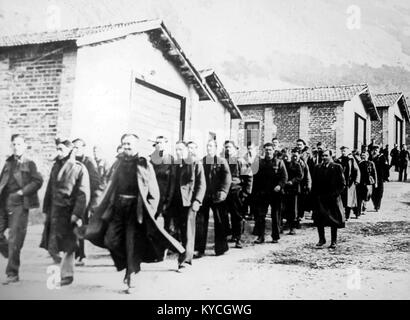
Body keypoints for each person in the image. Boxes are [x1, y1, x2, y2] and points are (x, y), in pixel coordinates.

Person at [85, 134, 184, 293]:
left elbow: (154, 192)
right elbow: (109, 186)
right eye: (124, 144)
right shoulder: (118, 163)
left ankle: (132, 275)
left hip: (135, 210)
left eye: (129, 144)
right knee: (111, 240)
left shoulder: (144, 164)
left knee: (132, 244)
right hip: (118, 208)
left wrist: (149, 212)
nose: (126, 146)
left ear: (136, 146)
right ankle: (128, 267)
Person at [40, 138, 90, 286]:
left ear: (70, 150)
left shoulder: (78, 168)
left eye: (61, 149)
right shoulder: (56, 166)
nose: (58, 152)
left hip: (69, 213)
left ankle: (67, 275)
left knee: (69, 244)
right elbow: (49, 190)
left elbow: (83, 194)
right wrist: (46, 210)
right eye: (57, 149)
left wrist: (77, 214)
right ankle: (58, 272)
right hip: (54, 211)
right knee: (52, 244)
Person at [0, 134, 43, 284]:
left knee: (14, 238)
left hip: (19, 204)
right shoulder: (8, 162)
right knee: (8, 241)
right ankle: (11, 253)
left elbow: (38, 181)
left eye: (19, 144)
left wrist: (22, 192)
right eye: (14, 144)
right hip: (4, 202)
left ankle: (12, 273)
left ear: (25, 146)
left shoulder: (29, 163)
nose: (16, 147)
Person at [165, 141, 206, 272]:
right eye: (176, 149)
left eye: (181, 149)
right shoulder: (174, 165)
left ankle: (185, 261)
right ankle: (179, 253)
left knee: (188, 232)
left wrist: (197, 201)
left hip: (189, 202)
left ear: (187, 150)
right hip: (175, 202)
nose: (178, 152)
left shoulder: (195, 164)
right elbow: (170, 183)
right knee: (172, 229)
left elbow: (201, 184)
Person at [195, 140, 231, 257]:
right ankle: (199, 249)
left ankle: (221, 248)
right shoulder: (201, 161)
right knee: (200, 222)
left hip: (217, 196)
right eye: (207, 146)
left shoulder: (221, 161)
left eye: (211, 146)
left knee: (220, 221)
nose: (209, 148)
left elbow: (227, 177)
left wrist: (223, 191)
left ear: (216, 148)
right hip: (204, 196)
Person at [72, 138, 104, 266]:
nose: (76, 149)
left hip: (84, 200)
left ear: (83, 148)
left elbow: (96, 183)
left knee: (80, 227)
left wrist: (92, 204)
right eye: (74, 147)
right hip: (71, 200)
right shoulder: (71, 161)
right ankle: (74, 254)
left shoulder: (88, 162)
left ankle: (81, 255)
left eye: (78, 147)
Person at [252, 142, 287, 244]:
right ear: (264, 151)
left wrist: (280, 186)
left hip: (275, 193)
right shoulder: (259, 162)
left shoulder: (279, 162)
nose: (268, 152)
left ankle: (275, 236)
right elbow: (254, 177)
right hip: (263, 193)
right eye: (266, 150)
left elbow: (284, 177)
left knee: (275, 216)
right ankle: (260, 236)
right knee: (260, 215)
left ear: (273, 151)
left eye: (270, 150)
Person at [311, 149, 346, 249]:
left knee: (333, 220)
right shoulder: (317, 167)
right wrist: (314, 196)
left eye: (326, 155)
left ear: (331, 156)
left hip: (332, 198)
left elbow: (342, 184)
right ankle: (321, 239)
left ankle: (333, 241)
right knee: (319, 219)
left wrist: (335, 195)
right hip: (320, 198)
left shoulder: (337, 167)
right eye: (323, 156)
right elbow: (314, 184)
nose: (324, 158)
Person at [223, 140, 253, 248]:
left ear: (235, 149)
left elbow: (249, 177)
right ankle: (230, 235)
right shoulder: (223, 161)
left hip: (236, 192)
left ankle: (238, 238)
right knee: (225, 215)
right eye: (226, 147)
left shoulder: (240, 161)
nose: (227, 149)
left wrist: (245, 193)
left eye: (230, 147)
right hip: (225, 192)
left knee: (237, 216)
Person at [149, 136, 175, 237]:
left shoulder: (170, 159)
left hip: (166, 194)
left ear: (166, 144)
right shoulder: (152, 159)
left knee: (167, 222)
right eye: (157, 143)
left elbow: (172, 181)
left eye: (161, 143)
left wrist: (169, 198)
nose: (159, 145)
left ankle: (166, 247)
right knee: (152, 220)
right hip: (154, 194)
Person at [282, 148, 303, 235]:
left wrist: (292, 181)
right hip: (285, 189)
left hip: (293, 189)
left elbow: (300, 176)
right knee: (285, 208)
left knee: (293, 209)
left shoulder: (296, 165)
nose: (286, 156)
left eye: (288, 154)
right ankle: (286, 224)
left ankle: (293, 227)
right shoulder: (283, 164)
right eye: (285, 154)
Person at [336, 146, 360, 220]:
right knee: (342, 199)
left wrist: (356, 180)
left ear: (348, 152)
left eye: (345, 151)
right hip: (341, 182)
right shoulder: (338, 160)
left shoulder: (351, 160)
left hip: (350, 182)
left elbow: (357, 170)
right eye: (342, 151)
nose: (343, 153)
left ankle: (349, 214)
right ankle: (342, 214)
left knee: (349, 200)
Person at [295, 139, 312, 226]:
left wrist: (308, 182)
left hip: (304, 178)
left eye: (300, 144)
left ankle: (301, 215)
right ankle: (296, 215)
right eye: (297, 144)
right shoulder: (294, 153)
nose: (298, 146)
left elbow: (310, 168)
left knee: (302, 198)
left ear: (304, 145)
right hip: (296, 179)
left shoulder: (308, 154)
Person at [356, 151, 377, 217]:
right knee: (360, 196)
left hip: (369, 181)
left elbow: (374, 173)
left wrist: (376, 182)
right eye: (362, 155)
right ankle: (359, 211)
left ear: (368, 155)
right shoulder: (359, 163)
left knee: (367, 195)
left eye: (364, 155)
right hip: (361, 181)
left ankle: (364, 206)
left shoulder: (371, 163)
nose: (363, 156)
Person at [371, 146, 389, 212]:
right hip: (372, 177)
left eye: (376, 150)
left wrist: (385, 177)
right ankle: (375, 204)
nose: (375, 151)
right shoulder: (371, 158)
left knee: (379, 191)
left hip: (380, 177)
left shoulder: (382, 157)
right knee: (373, 192)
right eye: (374, 150)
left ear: (378, 151)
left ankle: (377, 205)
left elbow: (386, 167)